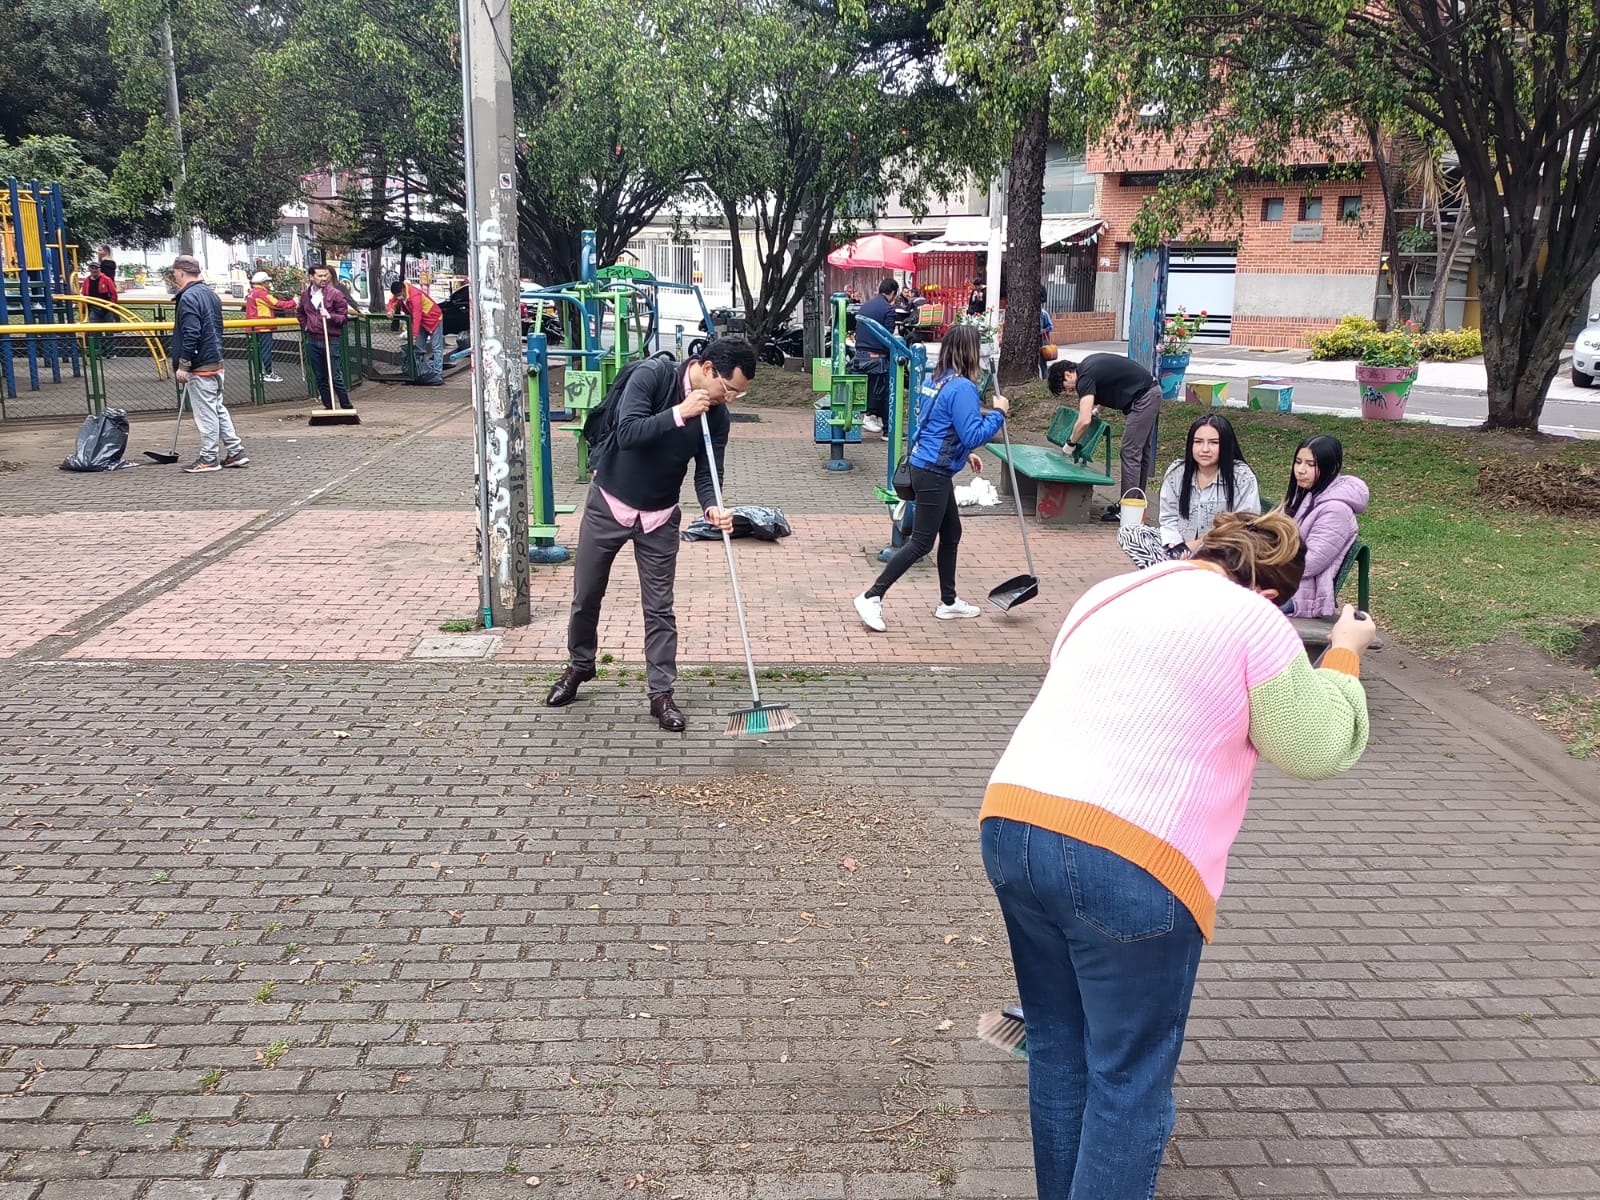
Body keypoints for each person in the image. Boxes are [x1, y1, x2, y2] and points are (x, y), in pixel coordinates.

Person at [981, 509, 1374, 1200]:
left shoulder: (1110, 593)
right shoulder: (1253, 620)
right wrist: (1344, 651)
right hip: (1129, 857)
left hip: (1014, 821)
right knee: (1128, 1080)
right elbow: (1316, 747)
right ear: (1273, 591)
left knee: (1058, 1049)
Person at [544, 337, 759, 733]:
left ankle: (661, 693)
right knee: (587, 594)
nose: (728, 399)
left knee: (660, 607)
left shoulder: (716, 416)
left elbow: (708, 473)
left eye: (737, 395)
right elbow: (628, 434)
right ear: (708, 369)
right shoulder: (653, 376)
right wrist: (679, 413)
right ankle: (579, 666)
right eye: (728, 389)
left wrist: (713, 506)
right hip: (610, 501)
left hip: (660, 515)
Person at [852, 324, 1008, 632]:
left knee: (951, 534)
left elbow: (939, 424)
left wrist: (964, 453)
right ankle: (871, 596)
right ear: (970, 352)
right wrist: (998, 413)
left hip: (927, 465)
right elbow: (974, 432)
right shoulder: (963, 387)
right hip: (934, 472)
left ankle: (948, 603)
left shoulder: (934, 379)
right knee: (922, 543)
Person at [1119, 414, 1261, 568]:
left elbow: (1244, 527)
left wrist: (1198, 545)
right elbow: (1168, 519)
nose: (1205, 449)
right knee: (1129, 533)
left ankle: (1173, 570)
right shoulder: (1177, 472)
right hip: (1181, 548)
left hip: (1223, 551)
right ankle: (1172, 567)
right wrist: (1175, 546)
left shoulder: (1242, 476)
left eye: (1214, 443)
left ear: (1226, 445)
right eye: (1198, 442)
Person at [1049, 354, 1163, 522]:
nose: (1068, 391)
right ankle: (1135, 503)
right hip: (1150, 391)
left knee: (1130, 452)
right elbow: (1112, 384)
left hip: (1144, 398)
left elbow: (1084, 420)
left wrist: (1070, 443)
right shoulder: (1088, 366)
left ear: (1067, 374)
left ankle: (1128, 509)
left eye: (1064, 387)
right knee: (1141, 453)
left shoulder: (1083, 378)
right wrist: (1098, 411)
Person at [169, 254, 248, 473]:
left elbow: (191, 332)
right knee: (217, 408)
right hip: (215, 358)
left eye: (175, 271)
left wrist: (184, 364)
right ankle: (235, 451)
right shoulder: (210, 295)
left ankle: (209, 457)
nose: (174, 275)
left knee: (206, 412)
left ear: (181, 272)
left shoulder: (188, 298)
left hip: (200, 363)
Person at [1282, 435, 1369, 617]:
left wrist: (1266, 565)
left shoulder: (1336, 511)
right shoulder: (1306, 495)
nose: (1301, 470)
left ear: (1332, 467)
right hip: (1284, 582)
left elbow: (1309, 564)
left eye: (1311, 465)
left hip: (1300, 594)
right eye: (1298, 462)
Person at [298, 263, 353, 410]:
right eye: (320, 276)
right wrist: (305, 326)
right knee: (320, 377)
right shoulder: (305, 295)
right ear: (311, 277)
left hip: (331, 339)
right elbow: (301, 312)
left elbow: (344, 317)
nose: (323, 278)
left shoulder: (334, 294)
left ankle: (346, 406)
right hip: (313, 339)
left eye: (325, 275)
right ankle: (328, 406)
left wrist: (329, 316)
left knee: (335, 376)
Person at [852, 277, 899, 435]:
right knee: (884, 390)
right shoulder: (888, 309)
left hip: (859, 354)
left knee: (869, 388)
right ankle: (874, 418)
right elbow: (888, 336)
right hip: (876, 356)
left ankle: (881, 422)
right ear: (892, 292)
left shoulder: (865, 306)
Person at [388, 279, 445, 385]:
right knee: (419, 348)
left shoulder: (415, 296)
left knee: (436, 348)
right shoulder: (399, 293)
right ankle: (420, 372)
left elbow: (417, 315)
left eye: (400, 294)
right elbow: (392, 302)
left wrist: (414, 334)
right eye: (397, 295)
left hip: (434, 319)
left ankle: (437, 374)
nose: (399, 297)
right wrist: (390, 310)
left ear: (403, 289)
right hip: (422, 322)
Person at [245, 270, 295, 382]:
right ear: (263, 282)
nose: (269, 284)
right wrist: (294, 302)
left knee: (257, 351)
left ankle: (258, 374)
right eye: (268, 282)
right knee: (266, 350)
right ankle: (268, 373)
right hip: (263, 327)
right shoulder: (262, 293)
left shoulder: (252, 292)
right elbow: (277, 304)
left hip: (253, 327)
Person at [80, 261, 119, 359]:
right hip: (94, 308)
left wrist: (110, 305)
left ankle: (111, 352)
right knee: (94, 332)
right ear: (89, 269)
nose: (94, 270)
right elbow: (84, 295)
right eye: (92, 268)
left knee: (109, 331)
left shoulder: (106, 279)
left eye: (96, 268)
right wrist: (85, 308)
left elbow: (113, 293)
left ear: (99, 269)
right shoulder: (86, 281)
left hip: (106, 307)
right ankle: (97, 352)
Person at [1038, 286, 1055, 380]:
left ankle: (1045, 379)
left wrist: (1042, 331)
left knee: (1042, 362)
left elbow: (1050, 326)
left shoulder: (1043, 314)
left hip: (1041, 341)